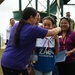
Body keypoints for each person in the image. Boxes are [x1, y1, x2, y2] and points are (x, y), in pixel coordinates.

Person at [1, 7, 61, 75]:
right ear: (31, 17)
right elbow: (53, 32)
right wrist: (59, 28)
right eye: (36, 18)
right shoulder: (32, 29)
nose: (36, 21)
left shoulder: (17, 25)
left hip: (6, 60)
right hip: (16, 64)